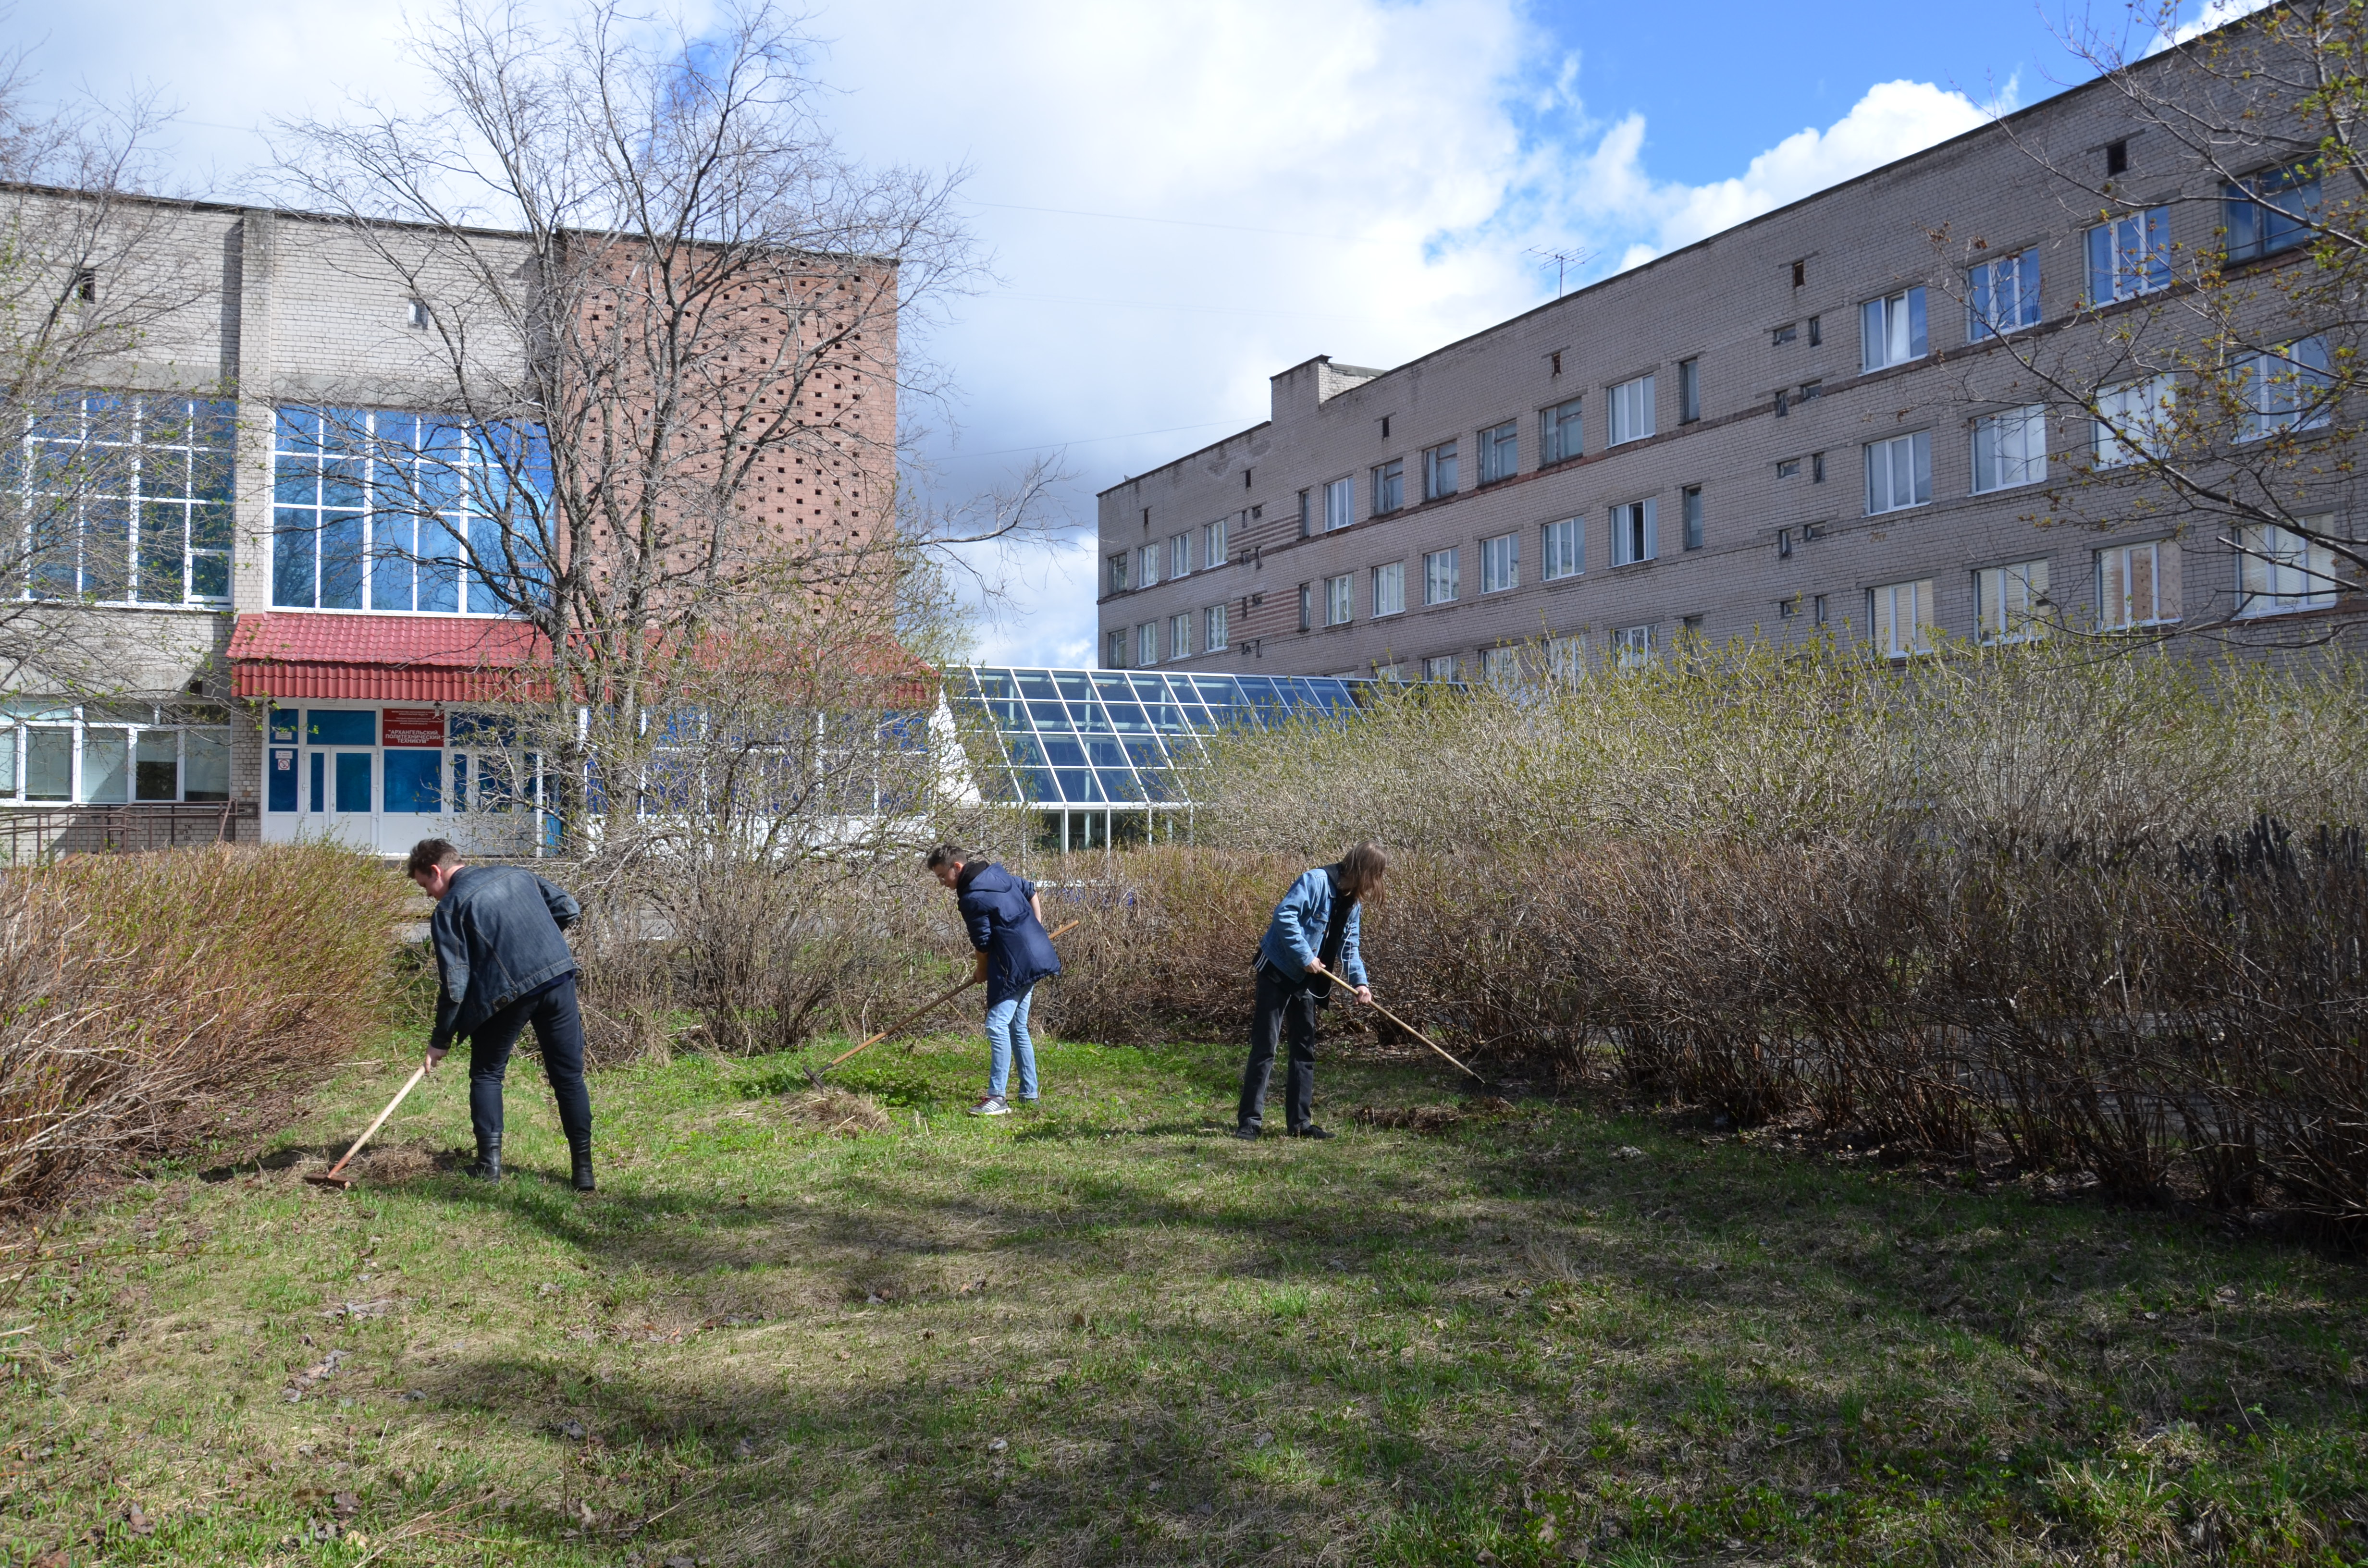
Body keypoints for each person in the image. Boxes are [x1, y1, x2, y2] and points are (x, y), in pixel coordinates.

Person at [408, 838, 595, 1191]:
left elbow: (456, 983)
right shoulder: (518, 875)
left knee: (487, 1074)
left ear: (436, 871)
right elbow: (568, 907)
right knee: (569, 1078)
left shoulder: (450, 909)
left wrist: (440, 1041)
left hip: (507, 994)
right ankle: (584, 1173)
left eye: (425, 885)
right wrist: (532, 941)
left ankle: (488, 1167)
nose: (429, 895)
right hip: (558, 976)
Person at [1237, 841, 1386, 1141]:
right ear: (1362, 869)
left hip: (1306, 981)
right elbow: (1285, 916)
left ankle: (1300, 1125)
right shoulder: (1315, 881)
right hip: (1277, 970)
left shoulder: (1352, 904)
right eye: (1374, 875)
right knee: (1265, 1048)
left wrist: (1361, 983)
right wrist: (1305, 956)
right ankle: (1250, 1123)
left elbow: (1350, 947)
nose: (1375, 884)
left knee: (1304, 1050)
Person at [927, 844, 1061, 1116]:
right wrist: (1036, 928)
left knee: (997, 1025)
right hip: (1035, 954)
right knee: (1017, 1027)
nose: (942, 883)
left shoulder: (972, 898)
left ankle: (997, 1097)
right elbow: (1031, 890)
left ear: (958, 868)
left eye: (943, 876)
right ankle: (1029, 1093)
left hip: (1015, 963)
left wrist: (982, 969)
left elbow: (984, 943)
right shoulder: (996, 875)